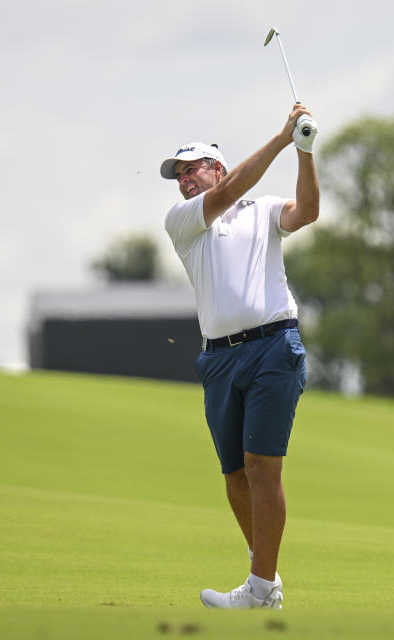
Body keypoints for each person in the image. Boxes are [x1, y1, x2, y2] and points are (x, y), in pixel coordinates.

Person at [160, 104, 320, 609]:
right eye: (179, 175)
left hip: (275, 346)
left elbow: (308, 212)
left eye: (193, 170)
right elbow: (227, 195)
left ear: (218, 168)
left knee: (260, 468)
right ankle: (265, 581)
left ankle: (258, 587)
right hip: (218, 361)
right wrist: (280, 138)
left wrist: (305, 152)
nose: (184, 181)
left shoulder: (263, 210)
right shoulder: (184, 221)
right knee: (233, 474)